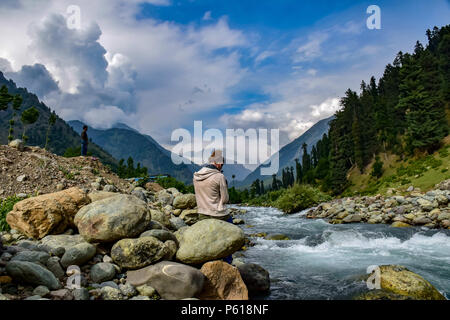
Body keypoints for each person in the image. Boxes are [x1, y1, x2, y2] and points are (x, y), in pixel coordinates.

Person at [193, 149, 233, 263]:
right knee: (229, 235)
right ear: (219, 163)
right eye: (222, 165)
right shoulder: (219, 177)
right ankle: (228, 262)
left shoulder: (196, 176)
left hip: (202, 214)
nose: (221, 168)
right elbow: (225, 199)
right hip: (218, 214)